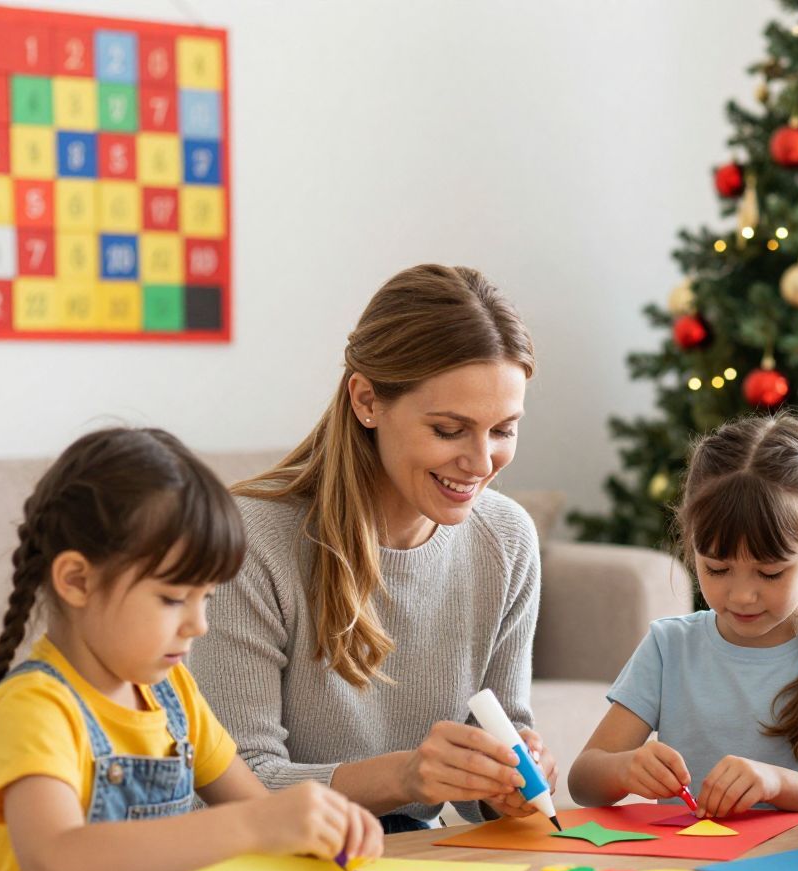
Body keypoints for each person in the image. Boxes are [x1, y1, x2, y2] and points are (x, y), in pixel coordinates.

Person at [0, 428, 381, 871]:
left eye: (206, 597)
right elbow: (58, 868)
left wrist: (321, 831)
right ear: (77, 581)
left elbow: (259, 812)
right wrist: (256, 825)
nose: (198, 624)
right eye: (175, 598)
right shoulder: (35, 706)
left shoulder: (171, 694)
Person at [190, 265, 556, 832]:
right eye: (449, 429)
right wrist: (406, 778)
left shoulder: (507, 539)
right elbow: (236, 783)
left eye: (503, 430)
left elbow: (497, 738)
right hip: (268, 860)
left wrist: (505, 785)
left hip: (407, 864)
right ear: (366, 400)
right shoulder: (250, 541)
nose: (482, 463)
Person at [568, 413, 798, 817]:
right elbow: (583, 782)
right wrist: (625, 768)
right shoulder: (669, 645)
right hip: (687, 869)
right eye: (717, 569)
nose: (742, 596)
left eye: (770, 572)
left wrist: (777, 782)